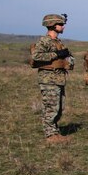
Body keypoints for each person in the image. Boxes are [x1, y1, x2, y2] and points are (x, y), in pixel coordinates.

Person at [30, 13, 74, 143]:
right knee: (51, 107)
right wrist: (56, 54)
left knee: (59, 107)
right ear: (52, 25)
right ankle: (50, 135)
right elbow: (36, 56)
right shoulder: (44, 41)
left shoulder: (58, 42)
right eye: (60, 24)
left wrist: (68, 60)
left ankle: (55, 132)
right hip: (48, 79)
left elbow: (67, 57)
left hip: (59, 78)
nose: (63, 27)